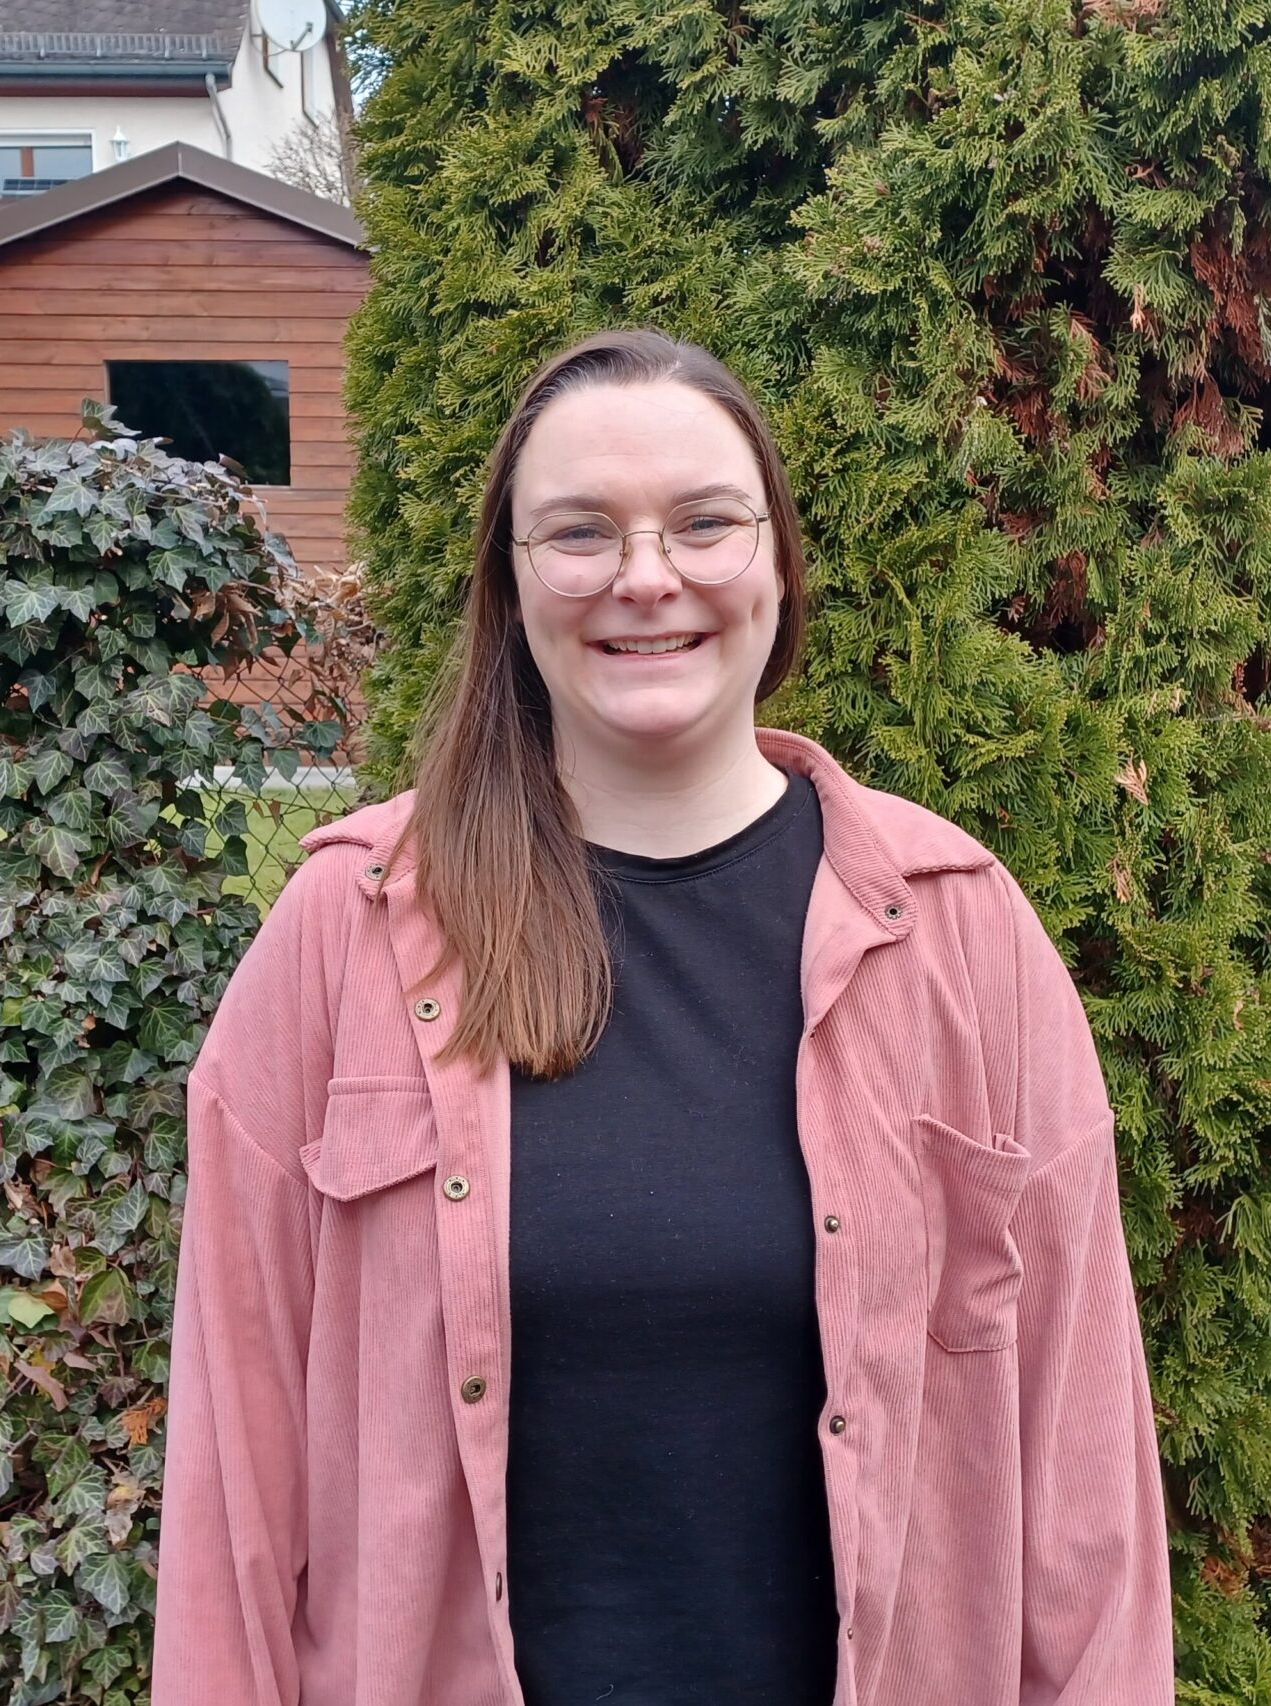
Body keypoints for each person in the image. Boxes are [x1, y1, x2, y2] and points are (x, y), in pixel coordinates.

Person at [151, 328, 1172, 1705]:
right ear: (512, 581)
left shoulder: (961, 933)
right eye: (580, 533)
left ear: (777, 562)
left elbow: (1085, 1479)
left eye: (703, 523)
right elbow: (233, 1484)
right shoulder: (348, 934)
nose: (646, 577)